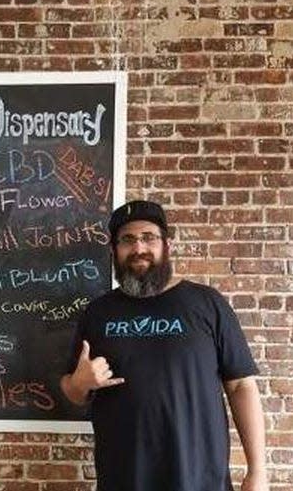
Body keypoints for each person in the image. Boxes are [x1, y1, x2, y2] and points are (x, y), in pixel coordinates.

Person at [60, 200, 267, 491]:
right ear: (113, 250)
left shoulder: (207, 303)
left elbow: (241, 385)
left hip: (199, 478)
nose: (138, 248)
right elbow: (71, 389)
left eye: (149, 237)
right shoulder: (98, 313)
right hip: (124, 478)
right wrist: (81, 383)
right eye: (127, 240)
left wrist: (257, 470)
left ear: (166, 245)